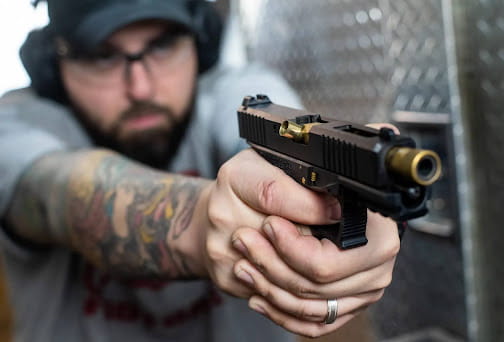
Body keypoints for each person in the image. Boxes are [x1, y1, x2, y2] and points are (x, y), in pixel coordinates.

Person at [0, 0, 400, 341]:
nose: (140, 87)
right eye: (103, 56)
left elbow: (281, 139)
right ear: (53, 65)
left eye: (162, 45)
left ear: (201, 45)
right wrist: (207, 217)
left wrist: (328, 208)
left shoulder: (237, 92)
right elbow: (60, 192)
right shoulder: (17, 127)